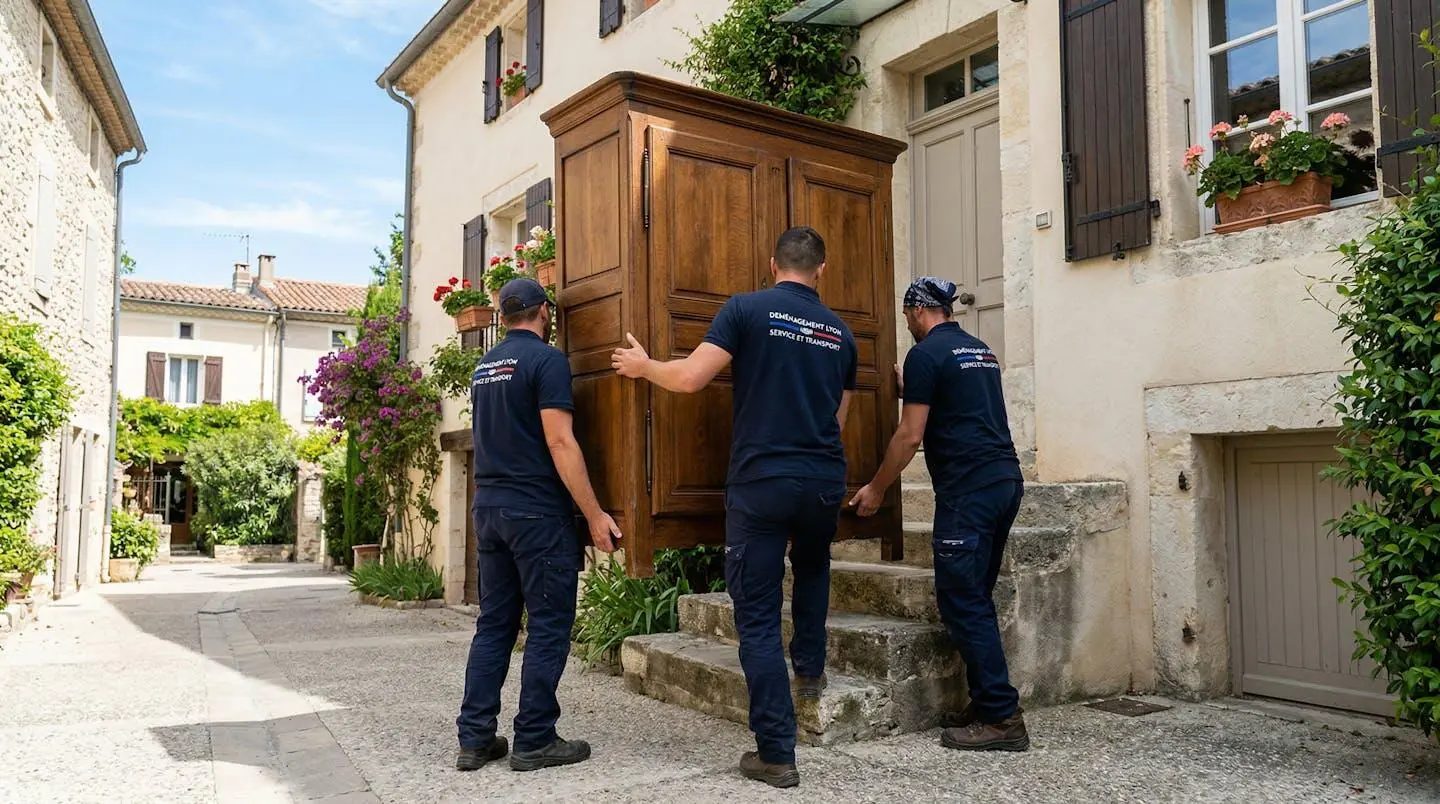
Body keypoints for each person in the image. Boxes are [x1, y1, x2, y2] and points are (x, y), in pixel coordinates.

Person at [611, 227, 856, 789]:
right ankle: (810, 671)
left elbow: (691, 378)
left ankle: (776, 752)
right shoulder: (841, 333)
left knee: (758, 614)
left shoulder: (746, 309)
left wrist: (644, 367)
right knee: (814, 566)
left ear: (773, 264)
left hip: (763, 481)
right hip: (823, 478)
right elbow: (837, 419)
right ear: (821, 268)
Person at [848, 276, 1029, 752]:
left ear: (916, 311)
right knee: (976, 596)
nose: (907, 323)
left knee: (962, 601)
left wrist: (876, 488)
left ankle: (1002, 717)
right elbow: (960, 403)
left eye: (906, 315)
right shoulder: (979, 350)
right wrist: (915, 388)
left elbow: (910, 435)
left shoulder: (925, 354)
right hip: (1005, 481)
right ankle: (986, 702)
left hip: (968, 490)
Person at [456, 277, 622, 773]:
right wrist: (594, 514)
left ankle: (475, 739)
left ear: (503, 316)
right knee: (549, 625)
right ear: (545, 312)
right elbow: (560, 441)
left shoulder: (485, 366)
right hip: (535, 514)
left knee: (495, 625)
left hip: (489, 509)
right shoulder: (547, 361)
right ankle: (534, 738)